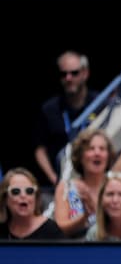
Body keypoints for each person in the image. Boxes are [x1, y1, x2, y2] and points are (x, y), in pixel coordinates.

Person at [33, 51, 100, 187]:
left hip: (93, 181)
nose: (68, 78)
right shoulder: (50, 108)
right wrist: (55, 180)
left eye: (74, 73)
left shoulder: (99, 103)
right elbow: (39, 149)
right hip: (59, 180)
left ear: (85, 73)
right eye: (64, 74)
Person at [52, 129, 115, 239]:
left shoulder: (117, 184)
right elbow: (60, 228)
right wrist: (85, 217)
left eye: (102, 149)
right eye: (91, 149)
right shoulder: (66, 187)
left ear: (108, 155)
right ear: (80, 156)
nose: (97, 153)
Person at [0, 168, 64, 240]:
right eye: (16, 191)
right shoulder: (2, 230)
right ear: (5, 198)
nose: (23, 195)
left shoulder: (51, 230)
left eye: (29, 191)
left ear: (36, 197)